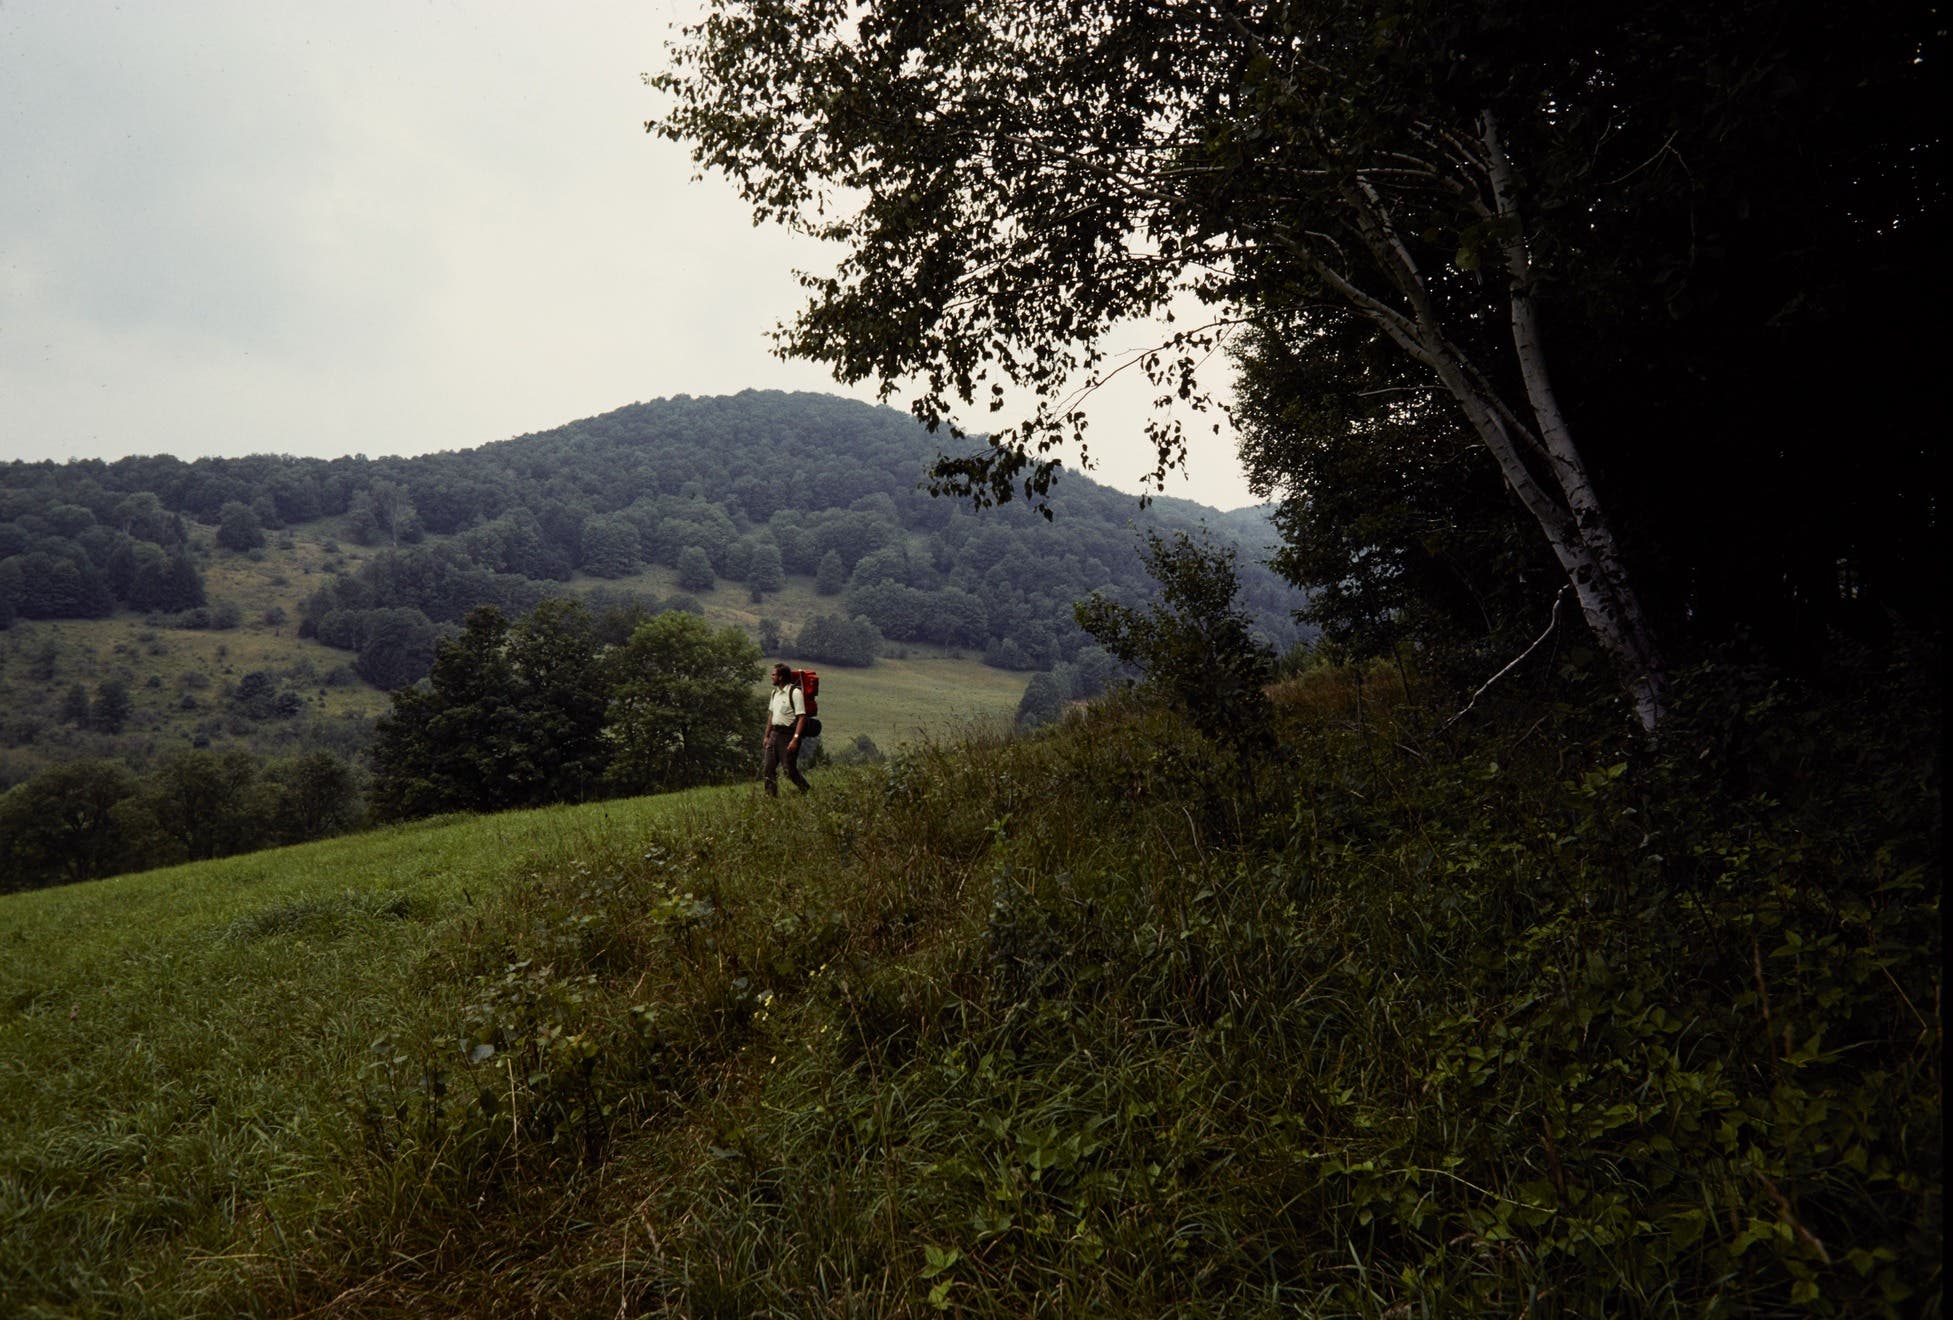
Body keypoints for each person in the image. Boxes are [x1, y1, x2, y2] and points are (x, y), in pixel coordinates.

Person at [762, 662, 811, 796]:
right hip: (774, 734)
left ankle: (806, 791)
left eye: (774, 674)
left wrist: (795, 739)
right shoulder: (774, 693)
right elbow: (771, 716)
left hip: (788, 735)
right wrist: (766, 736)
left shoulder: (795, 693)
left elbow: (801, 717)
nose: (771, 677)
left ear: (781, 677)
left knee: (788, 770)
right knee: (768, 768)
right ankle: (771, 798)